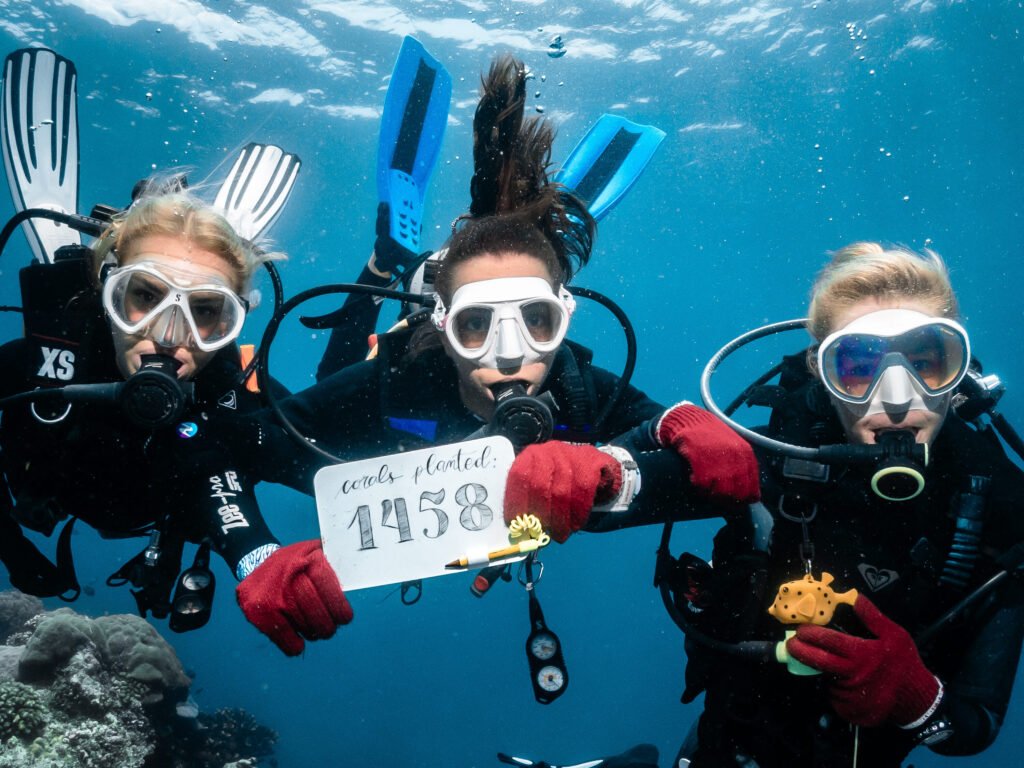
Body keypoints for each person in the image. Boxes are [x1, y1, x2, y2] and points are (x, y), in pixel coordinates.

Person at [231, 55, 760, 656]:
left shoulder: (578, 387)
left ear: (565, 318)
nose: (511, 357)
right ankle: (387, 262)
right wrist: (257, 554)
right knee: (343, 374)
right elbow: (223, 452)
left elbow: (698, 452)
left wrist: (664, 432)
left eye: (537, 321)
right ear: (447, 325)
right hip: (387, 404)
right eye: (477, 325)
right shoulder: (406, 381)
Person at [675, 242, 1024, 766]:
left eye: (927, 363)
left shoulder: (1001, 504)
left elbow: (976, 725)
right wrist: (624, 461)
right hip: (727, 746)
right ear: (821, 371)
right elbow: (613, 493)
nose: (898, 397)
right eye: (859, 365)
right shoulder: (768, 461)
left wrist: (920, 701)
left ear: (959, 373)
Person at [0, 188, 350, 645]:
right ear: (109, 293)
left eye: (205, 310)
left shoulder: (239, 400)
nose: (168, 335)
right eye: (146, 295)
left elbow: (336, 477)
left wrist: (261, 558)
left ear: (231, 323)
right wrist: (14, 550)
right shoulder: (29, 374)